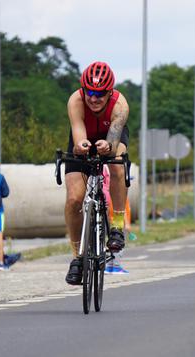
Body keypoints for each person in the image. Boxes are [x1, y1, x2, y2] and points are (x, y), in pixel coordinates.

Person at [64, 61, 130, 285]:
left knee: (117, 164)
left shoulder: (120, 106)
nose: (93, 98)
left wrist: (107, 147)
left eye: (100, 94)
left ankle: (117, 226)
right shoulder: (75, 100)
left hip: (111, 135)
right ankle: (77, 257)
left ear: (109, 92)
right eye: (89, 92)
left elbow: (112, 143)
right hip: (84, 133)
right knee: (74, 199)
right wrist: (81, 146)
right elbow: (79, 136)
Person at [102, 164, 130, 275]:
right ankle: (116, 266)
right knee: (117, 243)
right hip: (115, 218)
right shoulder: (120, 196)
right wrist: (127, 223)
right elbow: (125, 211)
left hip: (106, 208)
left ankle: (109, 265)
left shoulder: (105, 169)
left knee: (106, 241)